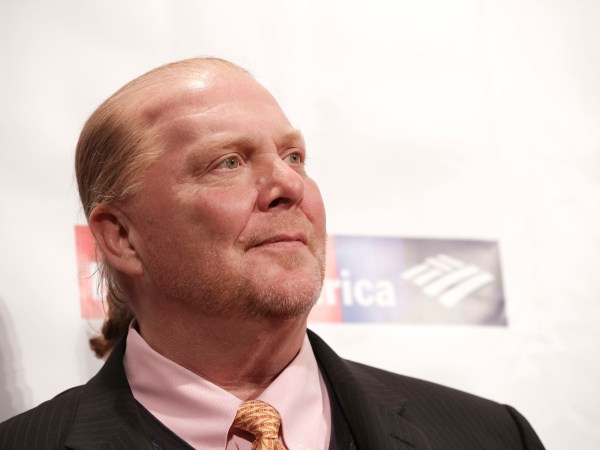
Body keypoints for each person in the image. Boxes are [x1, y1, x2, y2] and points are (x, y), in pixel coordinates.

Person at [0, 57, 545, 450]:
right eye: (229, 162)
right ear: (122, 237)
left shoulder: (492, 436)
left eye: (294, 156)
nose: (289, 185)